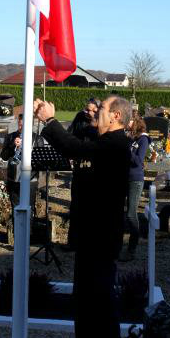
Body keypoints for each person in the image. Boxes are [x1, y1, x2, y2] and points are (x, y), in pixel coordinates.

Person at [34, 95, 132, 338]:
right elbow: (79, 138)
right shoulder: (102, 139)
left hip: (101, 235)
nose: (95, 112)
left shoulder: (116, 145)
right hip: (89, 232)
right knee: (85, 296)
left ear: (115, 117)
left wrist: (50, 120)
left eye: (101, 109)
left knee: (100, 296)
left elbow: (74, 148)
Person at [66, 98, 100, 249]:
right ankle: (73, 242)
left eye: (93, 110)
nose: (89, 113)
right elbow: (69, 136)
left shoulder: (101, 123)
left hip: (94, 170)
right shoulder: (79, 118)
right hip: (79, 168)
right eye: (87, 109)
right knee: (75, 206)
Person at [119, 115, 150, 262]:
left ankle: (131, 249)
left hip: (135, 180)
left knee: (131, 214)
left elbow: (138, 161)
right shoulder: (131, 137)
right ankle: (117, 247)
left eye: (128, 121)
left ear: (135, 122)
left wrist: (126, 149)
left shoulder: (143, 139)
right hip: (123, 177)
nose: (126, 123)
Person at [0, 114, 39, 219]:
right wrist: (13, 145)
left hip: (30, 179)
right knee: (15, 208)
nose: (21, 128)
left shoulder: (36, 138)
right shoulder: (11, 136)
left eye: (24, 125)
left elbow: (40, 160)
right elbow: (3, 156)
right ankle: (16, 233)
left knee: (29, 209)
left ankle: (29, 234)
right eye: (20, 125)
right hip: (14, 178)